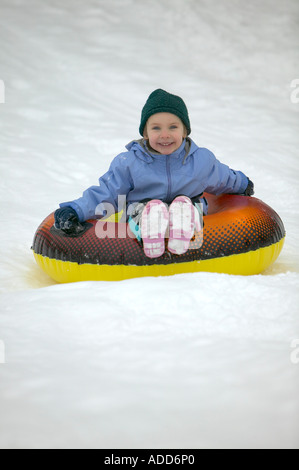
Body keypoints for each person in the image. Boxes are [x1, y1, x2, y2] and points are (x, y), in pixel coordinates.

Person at [54, 89, 254, 258]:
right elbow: (107, 193)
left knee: (186, 205)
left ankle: (182, 223)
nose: (165, 135)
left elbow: (222, 177)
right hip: (141, 211)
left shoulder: (201, 160)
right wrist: (76, 210)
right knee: (149, 209)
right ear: (146, 133)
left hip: (187, 206)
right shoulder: (129, 163)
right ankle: (151, 228)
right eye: (156, 128)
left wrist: (242, 184)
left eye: (173, 127)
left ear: (185, 131)